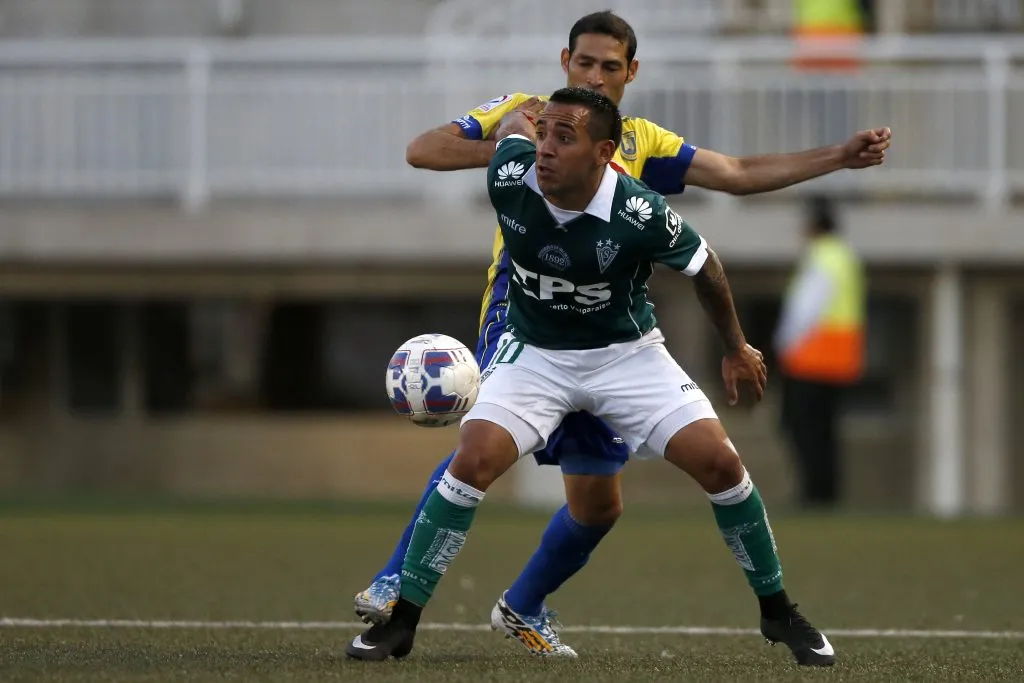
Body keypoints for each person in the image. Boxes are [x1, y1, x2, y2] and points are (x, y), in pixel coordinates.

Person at [350, 10, 889, 659]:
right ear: (564, 62)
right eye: (585, 63)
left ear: (631, 74)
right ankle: (396, 588)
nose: (596, 76)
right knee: (480, 448)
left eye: (611, 66)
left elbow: (737, 176)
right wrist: (516, 147)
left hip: (617, 343)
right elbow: (424, 149)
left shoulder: (641, 150)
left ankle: (523, 603)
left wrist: (836, 155)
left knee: (600, 503)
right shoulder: (524, 121)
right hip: (522, 319)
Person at [775, 196, 866, 509]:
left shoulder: (821, 256)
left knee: (800, 426)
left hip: (811, 357)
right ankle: (826, 493)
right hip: (841, 358)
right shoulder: (845, 256)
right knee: (826, 430)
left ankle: (814, 494)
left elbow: (805, 308)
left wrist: (782, 344)